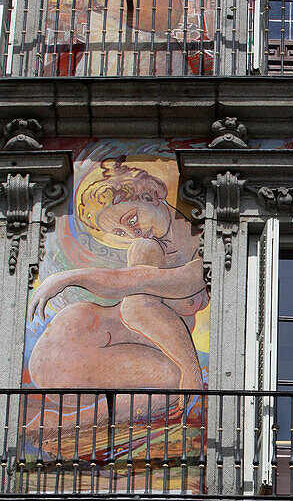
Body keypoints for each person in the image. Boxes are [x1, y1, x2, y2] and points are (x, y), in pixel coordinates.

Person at [28, 160, 207, 412]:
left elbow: (142, 285)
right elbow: (137, 308)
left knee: (175, 382)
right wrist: (191, 371)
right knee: (174, 380)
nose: (133, 232)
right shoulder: (146, 248)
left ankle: (63, 423)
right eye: (121, 232)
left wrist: (68, 277)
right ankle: (61, 424)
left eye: (131, 219)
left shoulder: (206, 250)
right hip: (75, 345)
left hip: (95, 343)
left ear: (153, 194)